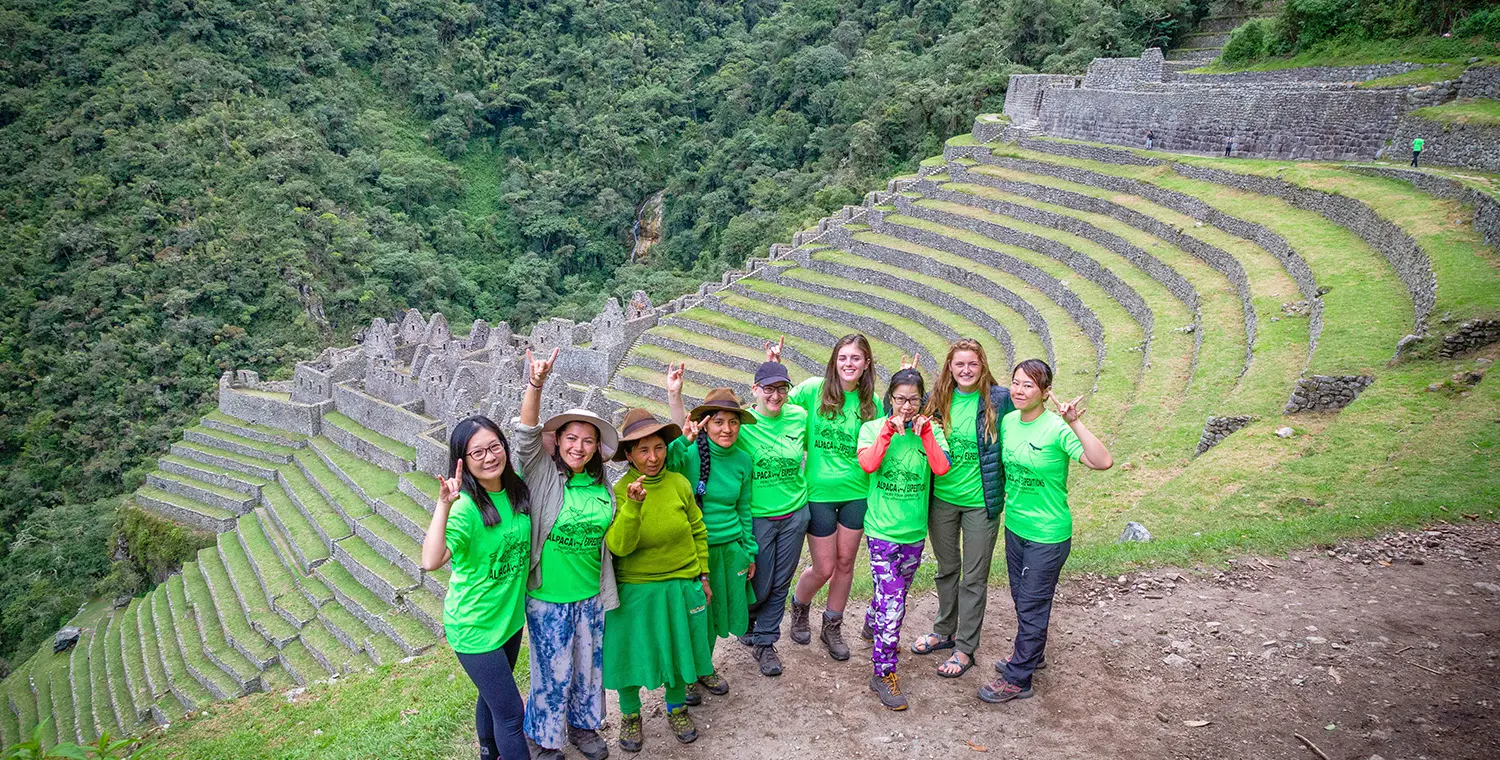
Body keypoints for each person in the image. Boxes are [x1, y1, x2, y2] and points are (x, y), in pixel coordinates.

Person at [978, 360, 1113, 704]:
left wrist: (1074, 422)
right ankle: (1032, 654)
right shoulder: (1009, 421)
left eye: (1029, 385)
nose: (1019, 390)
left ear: (1045, 392)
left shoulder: (1056, 429)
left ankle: (1018, 679)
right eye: (1016, 383)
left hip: (1048, 533)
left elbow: (1102, 461)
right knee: (1022, 598)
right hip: (1016, 527)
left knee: (1032, 604)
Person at [514, 348, 618, 760]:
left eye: (588, 441)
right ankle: (543, 738)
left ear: (596, 448)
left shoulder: (602, 487)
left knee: (587, 670)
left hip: (591, 594)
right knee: (551, 672)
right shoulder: (543, 476)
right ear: (557, 441)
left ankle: (583, 727)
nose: (579, 447)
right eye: (571, 438)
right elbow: (526, 434)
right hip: (548, 596)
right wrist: (536, 383)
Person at [420, 416, 533, 760]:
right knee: (511, 714)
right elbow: (431, 560)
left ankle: (489, 754)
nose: (489, 457)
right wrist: (444, 504)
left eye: (494, 447)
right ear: (463, 461)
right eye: (477, 453)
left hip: (508, 620)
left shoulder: (516, 489)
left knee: (491, 698)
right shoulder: (465, 509)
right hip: (474, 627)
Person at [604, 408, 713, 751]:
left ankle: (677, 708)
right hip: (636, 588)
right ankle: (630, 714)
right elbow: (619, 546)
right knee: (630, 655)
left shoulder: (679, 484)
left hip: (679, 583)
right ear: (629, 455)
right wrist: (633, 507)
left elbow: (697, 529)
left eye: (659, 448)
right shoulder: (619, 492)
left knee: (678, 651)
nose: (653, 458)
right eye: (643, 450)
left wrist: (703, 575)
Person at [771, 334, 883, 661]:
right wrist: (774, 368)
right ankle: (800, 605)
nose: (849, 364)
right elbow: (777, 407)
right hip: (818, 492)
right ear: (834, 360)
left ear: (866, 364)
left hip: (856, 492)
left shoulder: (872, 403)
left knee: (845, 563)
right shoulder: (812, 390)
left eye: (856, 358)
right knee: (824, 567)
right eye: (843, 357)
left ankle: (832, 625)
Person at [910, 339, 1015, 679]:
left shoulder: (999, 399)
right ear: (950, 367)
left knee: (974, 576)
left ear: (982, 365)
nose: (966, 370)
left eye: (972, 363)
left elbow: (1023, 424)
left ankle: (966, 647)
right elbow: (899, 411)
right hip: (942, 498)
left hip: (980, 503)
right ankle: (944, 631)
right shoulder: (936, 399)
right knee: (947, 569)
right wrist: (907, 378)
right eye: (960, 364)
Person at [858, 369, 950, 710]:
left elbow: (941, 468)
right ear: (890, 399)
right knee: (894, 601)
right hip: (881, 531)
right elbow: (868, 465)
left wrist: (925, 434)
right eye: (900, 399)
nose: (907, 407)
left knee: (894, 594)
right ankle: (883, 672)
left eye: (913, 399)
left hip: (913, 533)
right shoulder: (871, 428)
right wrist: (887, 432)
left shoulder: (932, 430)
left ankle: (873, 622)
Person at [663, 376, 756, 702]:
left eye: (733, 422)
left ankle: (704, 667)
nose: (727, 429)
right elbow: (663, 463)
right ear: (706, 424)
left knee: (714, 613)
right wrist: (681, 429)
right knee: (693, 613)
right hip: (692, 551)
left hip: (729, 550)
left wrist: (748, 550)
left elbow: (744, 508)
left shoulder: (743, 460)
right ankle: (686, 674)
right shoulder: (690, 454)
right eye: (718, 422)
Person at [732, 359, 812, 676]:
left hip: (795, 513)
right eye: (768, 389)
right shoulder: (742, 424)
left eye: (782, 389)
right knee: (760, 583)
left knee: (781, 583)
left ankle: (765, 642)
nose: (776, 396)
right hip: (759, 516)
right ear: (755, 390)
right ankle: (748, 619)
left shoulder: (799, 417)